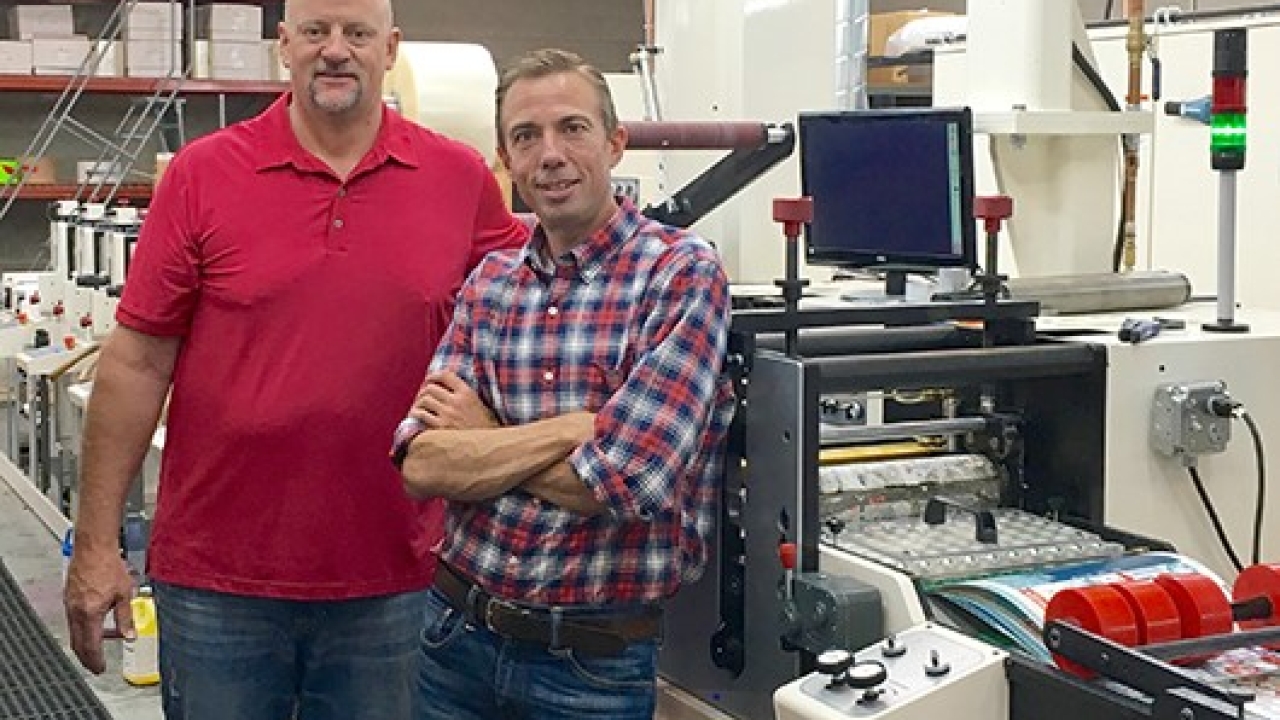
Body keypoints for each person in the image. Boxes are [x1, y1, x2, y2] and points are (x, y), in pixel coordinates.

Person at [62, 0, 528, 717]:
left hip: (396, 583)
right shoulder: (202, 174)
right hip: (220, 584)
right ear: (286, 45)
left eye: (357, 34)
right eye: (316, 31)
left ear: (390, 47)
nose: (335, 50)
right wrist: (96, 545)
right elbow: (136, 363)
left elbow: (529, 319)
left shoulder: (458, 177)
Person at [395, 48, 735, 719]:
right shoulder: (491, 283)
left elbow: (624, 480)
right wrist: (572, 429)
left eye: (572, 129)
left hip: (589, 665)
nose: (549, 154)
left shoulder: (679, 275)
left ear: (614, 143)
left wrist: (487, 439)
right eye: (526, 136)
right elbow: (420, 462)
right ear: (507, 160)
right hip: (452, 639)